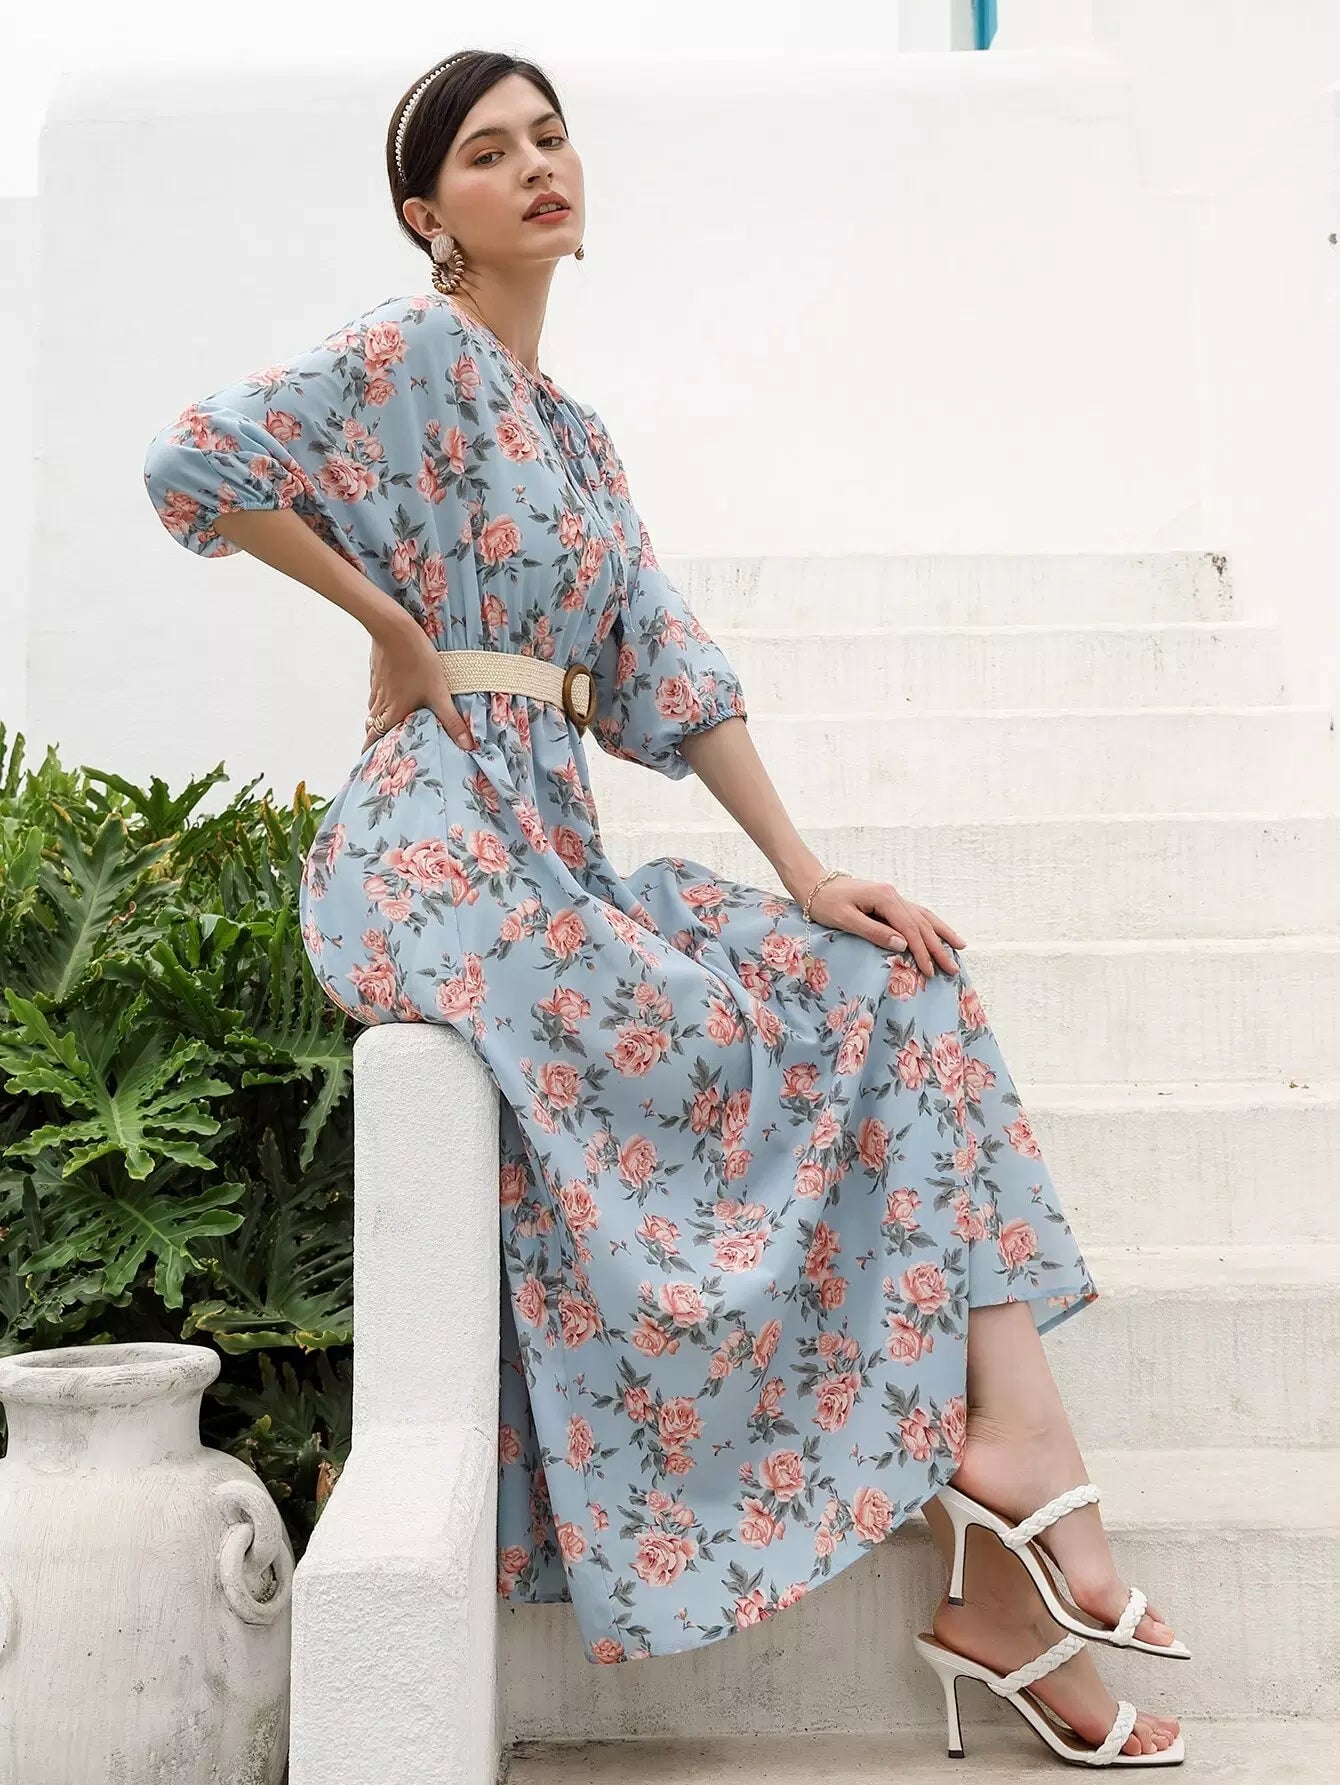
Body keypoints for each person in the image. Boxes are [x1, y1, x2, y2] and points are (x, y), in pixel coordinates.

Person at [142, 48, 1185, 1766]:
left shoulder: (577, 438)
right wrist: (390, 626)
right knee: (704, 1032)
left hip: (549, 848)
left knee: (899, 981)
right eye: (490, 153)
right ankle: (1012, 1515)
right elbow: (194, 462)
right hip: (434, 839)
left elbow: (668, 671)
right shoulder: (411, 353)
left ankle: (1014, 1498)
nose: (536, 167)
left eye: (550, 137)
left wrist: (807, 873)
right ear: (427, 213)